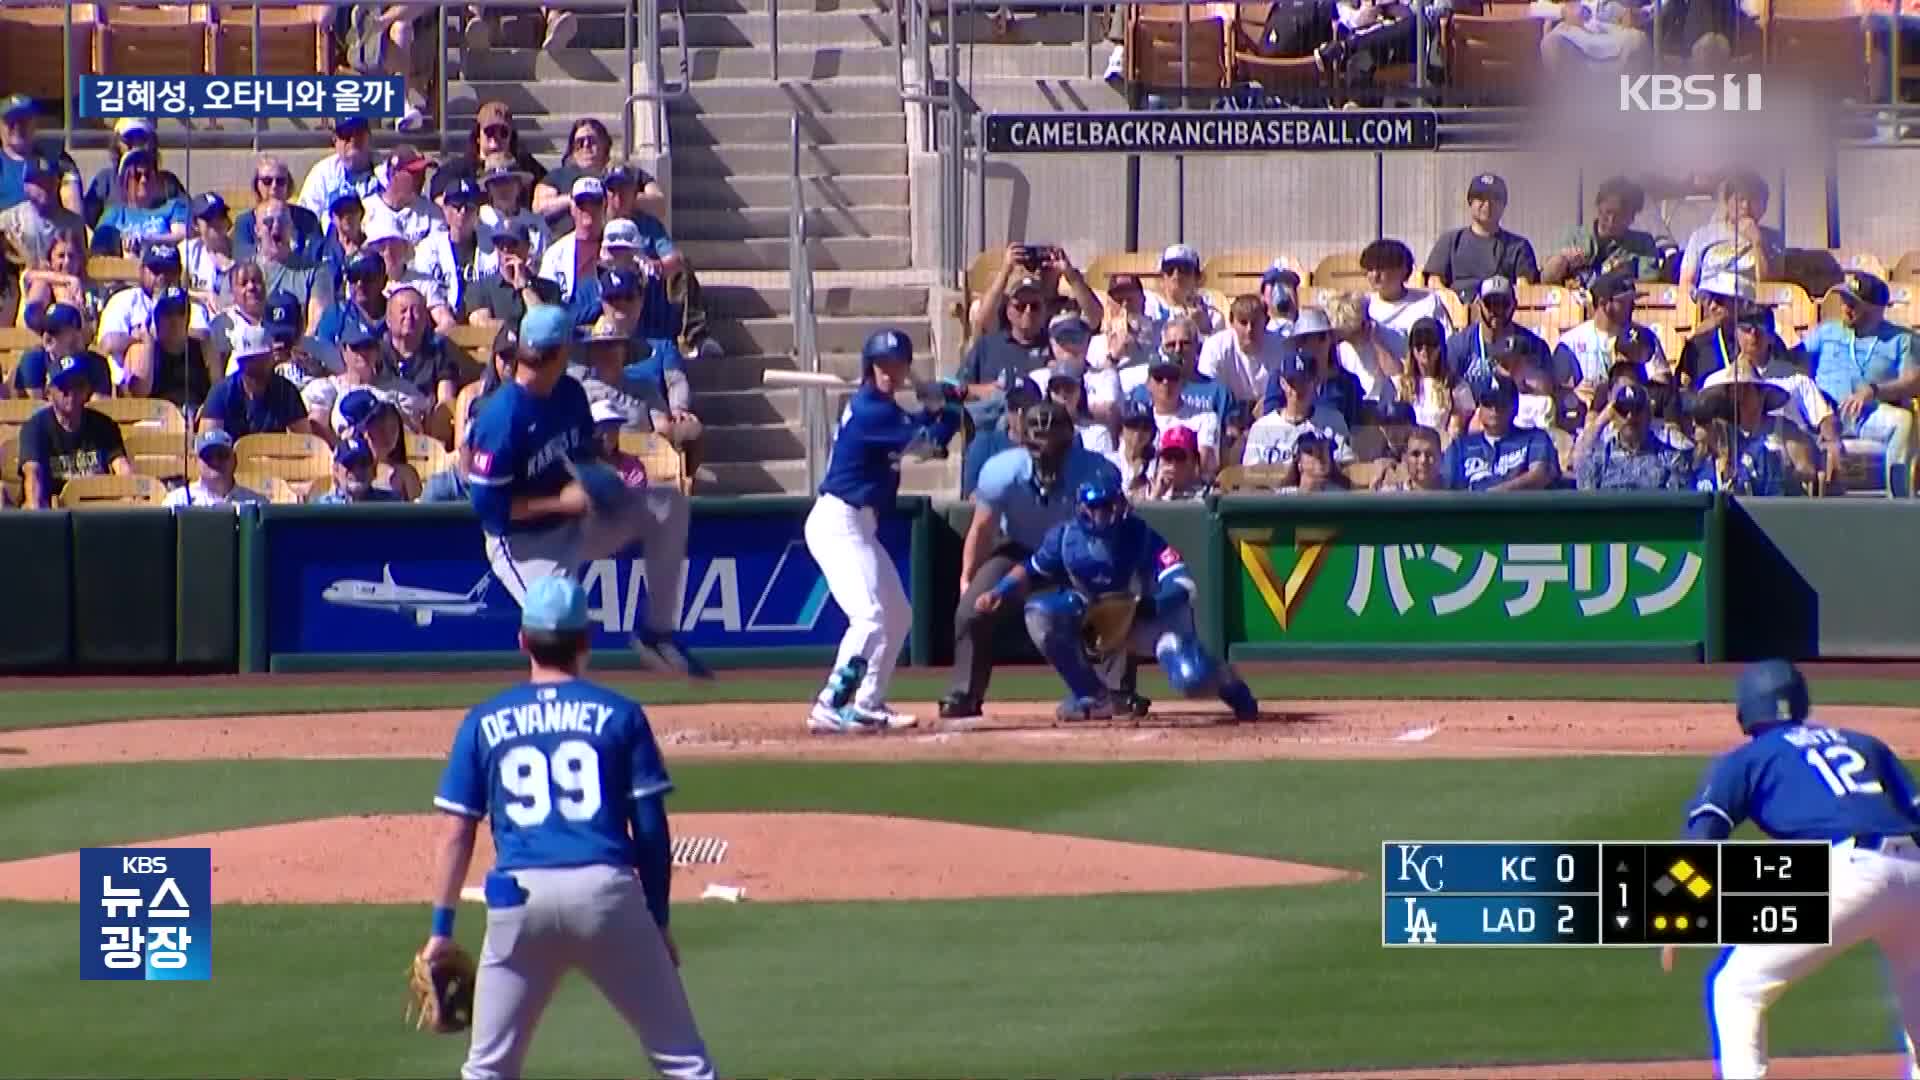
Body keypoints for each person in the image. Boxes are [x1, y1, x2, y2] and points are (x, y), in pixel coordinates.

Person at [421, 573, 716, 1080]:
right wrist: (659, 921)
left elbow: (456, 832)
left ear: (522, 641)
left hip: (519, 904)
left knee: (487, 1070)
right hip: (606, 897)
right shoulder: (620, 715)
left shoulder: (484, 720)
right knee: (686, 1064)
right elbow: (649, 829)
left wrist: (440, 932)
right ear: (586, 641)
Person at [1661, 659, 1920, 1080]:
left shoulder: (1747, 759)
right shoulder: (1865, 744)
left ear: (1746, 709)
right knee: (1917, 988)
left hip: (1846, 874)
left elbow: (1703, 838)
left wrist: (1674, 912)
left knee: (1737, 988)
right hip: (1914, 875)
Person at [466, 304, 706, 677]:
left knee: (667, 506)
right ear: (558, 352)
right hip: (523, 544)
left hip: (580, 522)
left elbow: (581, 456)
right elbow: (491, 512)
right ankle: (549, 705)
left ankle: (657, 635)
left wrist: (603, 480)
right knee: (561, 628)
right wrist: (560, 502)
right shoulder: (501, 418)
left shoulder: (570, 394)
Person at [976, 477, 1258, 722]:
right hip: (1098, 617)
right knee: (1040, 613)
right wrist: (998, 591)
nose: (1103, 516)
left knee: (1192, 679)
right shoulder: (1064, 539)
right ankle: (1092, 695)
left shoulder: (1141, 535)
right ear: (1082, 510)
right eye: (1096, 509)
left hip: (1151, 619)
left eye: (1108, 507)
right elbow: (1030, 568)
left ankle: (1225, 679)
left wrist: (1150, 604)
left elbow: (1182, 582)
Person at [804, 329, 962, 734]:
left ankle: (868, 702)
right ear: (869, 367)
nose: (890, 372)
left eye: (897, 365)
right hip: (838, 522)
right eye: (883, 365)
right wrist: (945, 412)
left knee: (897, 615)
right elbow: (926, 445)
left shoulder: (883, 409)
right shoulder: (872, 410)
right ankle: (830, 702)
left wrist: (938, 408)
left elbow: (915, 431)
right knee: (870, 616)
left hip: (858, 524)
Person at [941, 400, 1120, 721]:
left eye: (1054, 442)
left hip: (1078, 552)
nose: (1046, 451)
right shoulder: (1001, 471)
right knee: (971, 609)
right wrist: (967, 578)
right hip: (1020, 548)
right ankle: (965, 693)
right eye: (1038, 442)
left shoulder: (1098, 471)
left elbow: (1113, 532)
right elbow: (982, 528)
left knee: (1114, 603)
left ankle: (1114, 689)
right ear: (1024, 441)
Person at [1797, 271, 1917, 494]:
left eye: (1853, 303)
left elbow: (1913, 383)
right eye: (1844, 301)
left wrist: (1874, 391)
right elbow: (1793, 360)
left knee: (1903, 421)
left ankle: (1898, 501)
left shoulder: (1902, 339)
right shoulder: (1827, 331)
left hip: (1868, 415)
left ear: (1876, 309)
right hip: (1824, 417)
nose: (1845, 308)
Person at [1701, 305, 1839, 488]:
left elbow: (1824, 418)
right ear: (1736, 333)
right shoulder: (1715, 382)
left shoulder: (1796, 379)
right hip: (1730, 460)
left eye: (1760, 329)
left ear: (1772, 336)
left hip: (1785, 458)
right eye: (1746, 329)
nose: (1753, 335)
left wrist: (1832, 444)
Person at [17, 354, 132, 508]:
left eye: (77, 385)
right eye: (63, 386)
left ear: (87, 390)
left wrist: (130, 499)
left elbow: (123, 471)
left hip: (98, 510)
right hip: (54, 514)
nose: (71, 393)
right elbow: (33, 476)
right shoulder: (35, 428)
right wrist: (38, 519)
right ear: (48, 393)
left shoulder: (104, 426)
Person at [1571, 364, 1692, 490]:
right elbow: (1580, 469)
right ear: (1613, 412)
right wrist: (1603, 419)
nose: (1630, 417)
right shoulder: (1598, 460)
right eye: (1623, 410)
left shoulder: (1670, 459)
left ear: (1649, 412)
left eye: (1637, 409)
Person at [1424, 174, 1541, 302]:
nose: (1488, 204)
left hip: (1500, 312)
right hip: (1456, 313)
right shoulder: (1450, 241)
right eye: (1481, 198)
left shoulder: (1519, 246)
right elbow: (1434, 282)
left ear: (1504, 204)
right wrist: (1454, 305)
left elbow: (1524, 290)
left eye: (1495, 199)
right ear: (1470, 201)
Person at [95, 244, 211, 372]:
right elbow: (108, 344)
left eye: (169, 271)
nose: (162, 277)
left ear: (179, 273)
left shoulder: (190, 303)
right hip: (131, 384)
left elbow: (203, 338)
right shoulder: (124, 300)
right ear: (142, 270)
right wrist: (147, 339)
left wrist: (145, 336)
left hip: (181, 379)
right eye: (155, 271)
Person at [1553, 270, 1669, 396]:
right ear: (1604, 303)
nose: (1633, 306)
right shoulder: (1571, 342)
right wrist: (1575, 394)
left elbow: (1664, 387)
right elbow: (1559, 393)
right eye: (1625, 301)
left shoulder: (1645, 337)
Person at [1540, 175, 1665, 288]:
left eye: (1619, 216)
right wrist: (1562, 260)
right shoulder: (1573, 238)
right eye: (1607, 212)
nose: (1611, 221)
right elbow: (1546, 281)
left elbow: (1649, 285)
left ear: (1632, 217)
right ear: (1598, 208)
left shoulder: (1643, 244)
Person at [1442, 374, 1560, 490]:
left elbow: (1539, 475)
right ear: (1480, 407)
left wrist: (1495, 494)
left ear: (1515, 406)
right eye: (1488, 402)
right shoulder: (1460, 447)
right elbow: (1446, 485)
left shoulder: (1536, 438)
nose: (1494, 409)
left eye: (1501, 402)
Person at [1243, 349, 1355, 466]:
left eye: (1304, 381)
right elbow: (1250, 476)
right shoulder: (1262, 428)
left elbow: (1348, 466)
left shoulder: (1332, 421)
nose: (1298, 390)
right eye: (1292, 382)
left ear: (1315, 382)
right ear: (1282, 383)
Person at [1678, 169, 1782, 296]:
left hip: (1750, 307)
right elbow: (1686, 282)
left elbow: (1771, 287)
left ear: (1764, 207)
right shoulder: (1702, 236)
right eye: (1740, 200)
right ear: (1727, 202)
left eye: (1753, 201)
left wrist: (1757, 243)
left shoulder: (1773, 240)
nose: (1746, 206)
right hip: (1708, 304)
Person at [199, 326, 316, 438]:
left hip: (274, 455)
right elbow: (207, 441)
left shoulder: (286, 391)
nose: (252, 365)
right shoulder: (221, 393)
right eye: (246, 360)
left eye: (258, 358)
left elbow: (304, 440)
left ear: (271, 356)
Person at [968, 241, 1101, 339]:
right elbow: (983, 321)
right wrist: (1005, 270)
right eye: (1030, 265)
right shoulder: (1012, 307)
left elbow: (1095, 318)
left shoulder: (1066, 308)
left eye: (1045, 267)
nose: (1038, 271)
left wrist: (1071, 274)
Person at [1445, 276, 1550, 396]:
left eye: (1503, 303)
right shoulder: (1458, 345)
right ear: (1479, 305)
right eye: (1490, 303)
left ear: (1514, 305)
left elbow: (1546, 392)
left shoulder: (1535, 347)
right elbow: (1447, 390)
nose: (1497, 310)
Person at [246, 198, 337, 334]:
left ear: (291, 228)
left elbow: (317, 325)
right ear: (257, 230)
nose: (276, 226)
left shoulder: (316, 272)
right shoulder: (241, 274)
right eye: (268, 222)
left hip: (300, 349)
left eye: (282, 221)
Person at [1690, 376, 1790, 495]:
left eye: (1700, 422)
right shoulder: (1701, 465)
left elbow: (1775, 498)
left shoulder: (1759, 454)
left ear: (1716, 424)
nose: (1693, 426)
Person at [123, 287, 216, 414]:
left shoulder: (204, 348)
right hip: (155, 421)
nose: (174, 320)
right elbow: (139, 393)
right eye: (167, 313)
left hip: (197, 420)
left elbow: (217, 396)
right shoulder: (140, 351)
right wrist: (149, 346)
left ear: (188, 317)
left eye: (180, 312)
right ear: (156, 317)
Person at [90, 148, 190, 257]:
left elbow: (181, 236)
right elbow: (98, 245)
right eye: (137, 176)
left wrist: (148, 240)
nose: (143, 180)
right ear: (125, 180)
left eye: (147, 175)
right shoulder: (114, 213)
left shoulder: (173, 207)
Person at [462, 223, 562, 329]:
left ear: (527, 248)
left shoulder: (549, 288)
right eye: (500, 245)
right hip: (500, 344)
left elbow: (547, 326)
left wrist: (525, 288)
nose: (506, 250)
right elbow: (480, 323)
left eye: (512, 244)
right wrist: (513, 331)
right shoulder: (480, 287)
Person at [0, 94, 83, 218]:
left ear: (35, 123)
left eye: (24, 120)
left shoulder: (59, 162)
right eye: (11, 120)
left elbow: (75, 216)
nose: (17, 126)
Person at [366, 216, 456, 331]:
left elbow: (446, 322)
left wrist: (428, 343)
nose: (388, 253)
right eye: (381, 247)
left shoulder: (424, 283)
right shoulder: (361, 283)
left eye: (394, 246)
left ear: (404, 248)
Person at [412, 173, 484, 314]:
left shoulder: (490, 246)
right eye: (457, 205)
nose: (462, 212)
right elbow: (424, 288)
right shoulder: (429, 247)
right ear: (444, 209)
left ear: (477, 210)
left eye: (469, 206)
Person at [1199, 294, 1289, 406]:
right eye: (1243, 322)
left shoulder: (1281, 346)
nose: (1249, 329)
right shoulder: (1215, 346)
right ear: (1231, 322)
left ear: (1266, 321)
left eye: (1255, 322)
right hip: (1227, 409)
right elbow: (1208, 389)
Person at [440, 100, 548, 191]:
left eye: (503, 132)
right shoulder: (458, 169)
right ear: (477, 135)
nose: (496, 139)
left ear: (511, 137)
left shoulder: (526, 166)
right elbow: (440, 198)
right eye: (490, 131)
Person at [233, 155, 325, 262]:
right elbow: (241, 256)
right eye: (267, 181)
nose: (274, 186)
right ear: (257, 185)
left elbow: (317, 252)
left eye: (280, 181)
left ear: (288, 185)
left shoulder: (307, 218)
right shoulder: (245, 221)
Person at [12, 301, 110, 401]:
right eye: (44, 331)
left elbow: (99, 406)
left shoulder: (96, 364)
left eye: (55, 331)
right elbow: (35, 408)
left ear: (76, 335)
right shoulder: (34, 359)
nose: (46, 337)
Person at [1362, 239, 1453, 343]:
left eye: (1382, 268)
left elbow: (1448, 342)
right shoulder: (1363, 305)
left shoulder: (1428, 302)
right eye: (1370, 269)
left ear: (1403, 270)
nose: (1375, 275)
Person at [1395, 316, 1468, 442]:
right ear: (1411, 348)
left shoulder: (1455, 386)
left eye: (1431, 342)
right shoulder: (1398, 385)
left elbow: (1456, 432)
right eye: (1419, 343)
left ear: (1440, 347)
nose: (1425, 349)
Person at [297, 117, 382, 223]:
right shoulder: (322, 173)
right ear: (335, 140)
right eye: (346, 134)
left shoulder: (387, 172)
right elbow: (305, 221)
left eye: (358, 133)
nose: (352, 139)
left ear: (369, 137)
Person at [163, 429, 269, 509]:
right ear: (196, 461)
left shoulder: (256, 504)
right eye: (208, 456)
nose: (216, 462)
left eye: (222, 455)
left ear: (235, 459)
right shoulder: (178, 501)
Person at [478, 157, 551, 266]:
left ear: (519, 185)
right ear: (488, 189)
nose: (503, 189)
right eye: (496, 183)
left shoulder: (536, 224)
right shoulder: (479, 221)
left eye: (508, 181)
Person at [363, 147, 442, 248]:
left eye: (423, 172)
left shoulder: (433, 214)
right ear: (394, 174)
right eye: (414, 173)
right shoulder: (366, 208)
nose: (421, 178)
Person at [313, 433, 404, 504]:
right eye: (349, 465)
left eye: (363, 464)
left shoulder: (392, 504)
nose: (357, 470)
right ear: (336, 470)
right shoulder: (322, 508)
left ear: (374, 470)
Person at [180, 193, 237, 306]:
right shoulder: (187, 250)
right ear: (195, 224)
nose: (216, 221)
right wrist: (204, 296)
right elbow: (177, 290)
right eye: (209, 218)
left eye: (220, 215)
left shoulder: (240, 251)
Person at [591, 399, 650, 488]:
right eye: (603, 426)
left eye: (615, 426)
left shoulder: (633, 467)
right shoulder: (577, 466)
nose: (610, 433)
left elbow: (637, 499)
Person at [1148, 424, 1213, 500]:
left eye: (1180, 456)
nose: (1173, 464)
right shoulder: (1148, 490)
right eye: (1168, 457)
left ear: (1195, 460)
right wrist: (1156, 495)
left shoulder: (1209, 494)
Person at [1374, 424, 1446, 491]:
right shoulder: (1389, 497)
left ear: (1442, 457)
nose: (1423, 460)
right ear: (1405, 458)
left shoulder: (1455, 496)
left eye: (1430, 454)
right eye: (1416, 454)